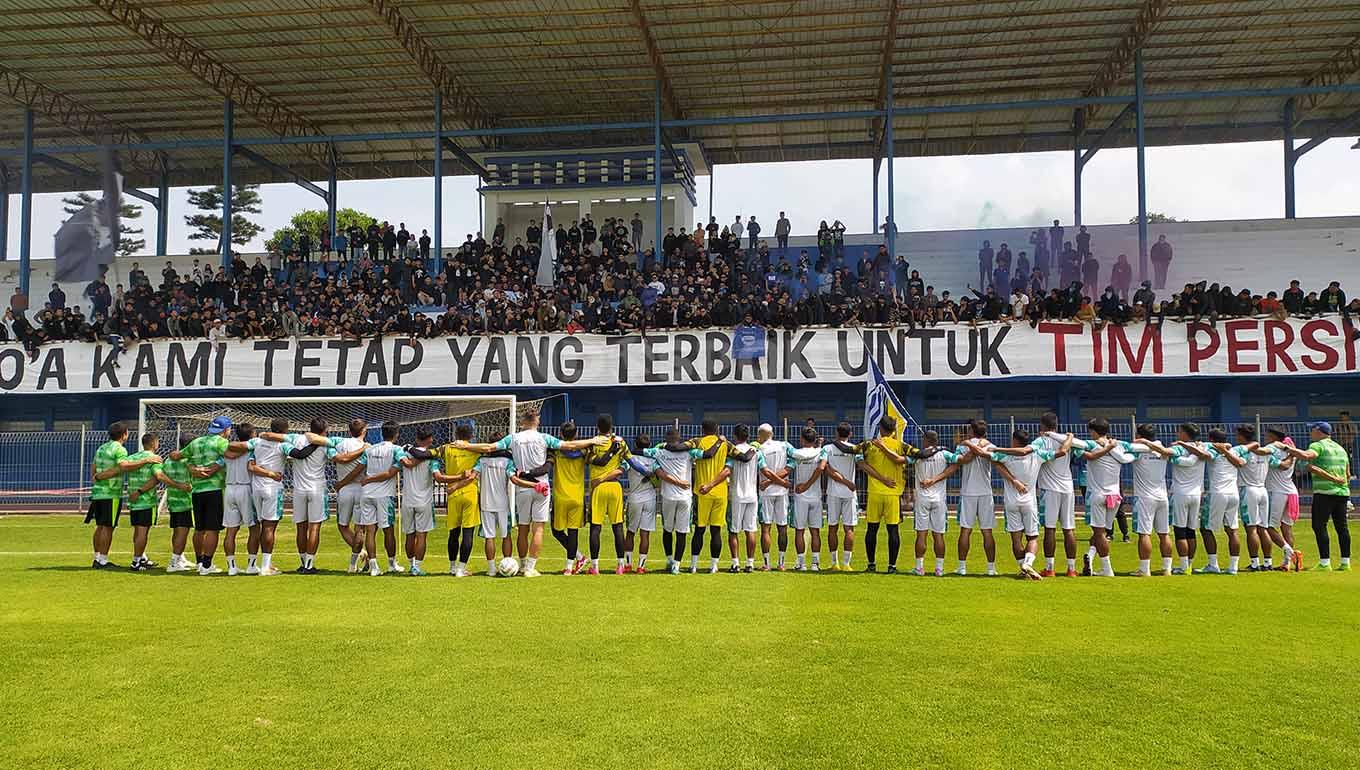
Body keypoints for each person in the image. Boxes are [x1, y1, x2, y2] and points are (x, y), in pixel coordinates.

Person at [452, 407, 607, 578]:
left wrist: (466, 445)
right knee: (538, 529)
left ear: (523, 422)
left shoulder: (514, 438)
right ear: (537, 421)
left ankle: (523, 563)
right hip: (541, 486)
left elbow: (489, 448)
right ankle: (530, 568)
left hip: (523, 487)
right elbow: (569, 445)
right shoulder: (544, 438)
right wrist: (592, 440)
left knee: (523, 529)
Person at [990, 429, 1066, 580]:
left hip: (1011, 502)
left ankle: (1023, 569)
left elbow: (990, 458)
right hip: (1029, 501)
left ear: (1014, 441)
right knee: (1032, 537)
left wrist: (1013, 480)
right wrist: (1069, 438)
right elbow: (1062, 452)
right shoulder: (1038, 454)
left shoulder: (1005, 455)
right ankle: (1028, 563)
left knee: (1016, 539)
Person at [1275, 421, 1351, 571]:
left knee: (1319, 526)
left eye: (1312, 430)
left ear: (1319, 431)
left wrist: (1287, 447)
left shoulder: (1318, 445)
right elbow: (1347, 473)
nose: (1310, 433)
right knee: (1342, 528)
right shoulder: (1340, 448)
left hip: (1324, 493)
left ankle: (1325, 563)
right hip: (1342, 493)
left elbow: (1307, 455)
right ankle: (1345, 562)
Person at [288, 418, 356, 573]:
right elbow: (340, 459)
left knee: (300, 528)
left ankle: (303, 563)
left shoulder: (296, 439)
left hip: (298, 489)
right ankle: (309, 565)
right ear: (324, 431)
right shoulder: (326, 444)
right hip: (317, 488)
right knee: (314, 528)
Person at [1071, 418, 1134, 577]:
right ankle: (1090, 558)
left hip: (1098, 495)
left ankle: (1107, 569)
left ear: (1093, 431)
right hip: (1115, 496)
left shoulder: (1091, 445)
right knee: (1102, 533)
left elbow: (1088, 454)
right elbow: (1135, 448)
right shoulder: (1119, 446)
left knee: (1099, 534)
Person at [721, 424, 780, 573]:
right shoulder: (756, 452)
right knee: (750, 530)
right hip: (752, 496)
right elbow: (766, 471)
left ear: (735, 436)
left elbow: (727, 471)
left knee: (734, 531)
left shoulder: (732, 452)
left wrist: (711, 484)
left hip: (736, 496)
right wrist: (781, 480)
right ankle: (750, 563)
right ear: (748, 437)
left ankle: (735, 563)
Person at [1121, 425, 1176, 576]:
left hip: (1145, 498)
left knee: (1144, 534)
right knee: (1164, 534)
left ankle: (1144, 569)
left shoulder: (1138, 450)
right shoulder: (1160, 448)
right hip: (1162, 497)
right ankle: (1167, 569)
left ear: (1140, 436)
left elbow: (1123, 453)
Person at [354, 421, 406, 576]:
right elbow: (390, 473)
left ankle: (374, 567)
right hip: (384, 495)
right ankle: (392, 564)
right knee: (388, 530)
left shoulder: (370, 449)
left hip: (367, 494)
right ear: (396, 434)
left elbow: (359, 468)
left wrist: (347, 482)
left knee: (370, 531)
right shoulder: (397, 450)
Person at [435, 424, 484, 577]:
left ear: (456, 433)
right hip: (470, 493)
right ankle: (461, 570)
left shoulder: (447, 448)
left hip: (452, 495)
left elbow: (432, 453)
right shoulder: (476, 450)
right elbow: (473, 475)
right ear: (471, 435)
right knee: (468, 532)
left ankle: (451, 567)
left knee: (453, 533)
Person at [121, 433, 173, 572]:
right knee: (143, 532)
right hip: (146, 500)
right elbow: (157, 477)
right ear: (154, 444)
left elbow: (124, 466)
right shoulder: (155, 459)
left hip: (133, 500)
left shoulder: (133, 457)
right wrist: (175, 484)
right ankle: (136, 561)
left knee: (138, 531)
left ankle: (141, 557)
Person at [909, 431, 958, 576]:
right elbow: (957, 463)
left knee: (921, 534)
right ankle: (939, 569)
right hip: (939, 499)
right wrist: (937, 479)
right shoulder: (945, 454)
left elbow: (900, 460)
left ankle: (919, 568)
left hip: (922, 499)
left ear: (925, 440)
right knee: (939, 535)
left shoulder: (917, 456)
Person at [1199, 428, 1247, 574]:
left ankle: (1213, 564)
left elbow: (1201, 448)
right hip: (1233, 494)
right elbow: (1241, 460)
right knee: (1232, 530)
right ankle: (1233, 567)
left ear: (1211, 439)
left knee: (1205, 529)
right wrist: (1226, 448)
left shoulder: (1213, 451)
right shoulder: (1235, 451)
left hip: (1218, 494)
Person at [954, 419, 999, 576]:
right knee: (987, 531)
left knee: (965, 530)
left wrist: (969, 444)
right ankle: (991, 568)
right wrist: (979, 445)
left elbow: (963, 461)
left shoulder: (962, 446)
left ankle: (962, 567)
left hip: (968, 492)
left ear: (971, 431)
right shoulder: (990, 445)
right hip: (986, 492)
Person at [586, 415, 630, 575]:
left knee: (595, 528)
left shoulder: (593, 443)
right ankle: (620, 565)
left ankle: (595, 566)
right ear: (612, 426)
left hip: (598, 487)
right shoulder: (620, 442)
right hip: (615, 488)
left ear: (597, 426)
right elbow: (629, 462)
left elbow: (594, 461)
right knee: (618, 527)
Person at [395, 428, 439, 576]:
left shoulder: (405, 452)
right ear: (430, 439)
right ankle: (417, 567)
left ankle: (411, 564)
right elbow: (437, 476)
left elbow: (405, 464)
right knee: (421, 535)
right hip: (424, 501)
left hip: (407, 499)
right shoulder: (431, 457)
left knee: (409, 535)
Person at [688, 420, 731, 574]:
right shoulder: (726, 444)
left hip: (702, 492)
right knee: (716, 531)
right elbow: (744, 457)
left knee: (699, 530)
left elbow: (683, 448)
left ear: (702, 429)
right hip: (721, 493)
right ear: (717, 428)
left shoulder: (697, 442)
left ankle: (693, 565)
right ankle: (714, 566)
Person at [1168, 424, 1210, 575]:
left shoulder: (1180, 449)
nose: (1178, 434)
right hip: (1196, 494)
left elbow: (1188, 462)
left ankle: (1184, 566)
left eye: (1180, 432)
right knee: (1191, 531)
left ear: (1185, 434)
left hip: (1181, 494)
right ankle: (1189, 565)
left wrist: (1176, 453)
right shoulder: (1202, 448)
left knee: (1180, 531)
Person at [222, 423, 262, 576]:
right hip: (246, 488)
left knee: (230, 530)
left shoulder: (227, 450)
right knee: (254, 528)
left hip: (230, 488)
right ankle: (251, 565)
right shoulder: (253, 448)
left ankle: (231, 567)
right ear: (252, 434)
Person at [550, 421, 589, 575]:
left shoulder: (556, 450)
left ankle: (578, 559)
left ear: (560, 434)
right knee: (573, 531)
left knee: (556, 531)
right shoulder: (584, 451)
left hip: (560, 496)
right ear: (577, 434)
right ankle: (569, 566)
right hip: (577, 496)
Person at [1262, 428, 1304, 572]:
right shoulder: (1291, 450)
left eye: (1267, 435)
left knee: (1269, 527)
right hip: (1291, 491)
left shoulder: (1272, 448)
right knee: (1286, 527)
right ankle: (1287, 563)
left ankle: (1291, 553)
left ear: (1273, 436)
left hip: (1276, 491)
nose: (1265, 437)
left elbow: (1281, 466)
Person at [820, 422, 861, 571]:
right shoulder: (855, 449)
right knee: (849, 528)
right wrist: (848, 482)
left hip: (833, 493)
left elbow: (826, 469)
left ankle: (834, 563)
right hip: (849, 493)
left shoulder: (827, 448)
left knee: (833, 528)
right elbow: (862, 464)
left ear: (836, 433)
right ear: (850, 434)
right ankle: (846, 564)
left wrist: (842, 480)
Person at [788, 427, 829, 572]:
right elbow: (820, 468)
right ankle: (815, 564)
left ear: (802, 439)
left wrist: (804, 485)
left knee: (799, 531)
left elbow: (789, 452)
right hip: (816, 496)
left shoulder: (796, 453)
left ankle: (801, 564)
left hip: (800, 496)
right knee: (815, 532)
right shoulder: (821, 452)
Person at [333, 419, 370, 573]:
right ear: (364, 430)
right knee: (360, 529)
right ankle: (353, 563)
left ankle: (359, 556)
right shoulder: (368, 447)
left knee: (342, 526)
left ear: (349, 431)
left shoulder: (339, 444)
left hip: (345, 490)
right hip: (362, 489)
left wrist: (341, 482)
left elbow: (339, 459)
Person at [755, 423, 794, 570]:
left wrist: (769, 482)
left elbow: (764, 471)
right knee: (782, 527)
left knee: (766, 529)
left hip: (766, 493)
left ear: (761, 435)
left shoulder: (760, 449)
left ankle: (766, 564)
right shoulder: (784, 445)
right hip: (781, 492)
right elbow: (792, 464)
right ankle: (781, 563)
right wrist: (783, 483)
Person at [158, 437, 198, 572]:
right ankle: (174, 562)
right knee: (182, 531)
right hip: (185, 501)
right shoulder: (188, 461)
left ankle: (179, 558)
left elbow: (163, 476)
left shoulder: (169, 460)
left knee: (176, 530)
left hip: (172, 499)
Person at [622, 435, 660, 573]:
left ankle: (627, 564)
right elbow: (659, 475)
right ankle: (641, 567)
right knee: (645, 534)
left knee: (631, 532)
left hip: (634, 498)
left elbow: (621, 470)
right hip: (650, 498)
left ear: (635, 445)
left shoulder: (630, 459)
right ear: (649, 445)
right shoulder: (653, 460)